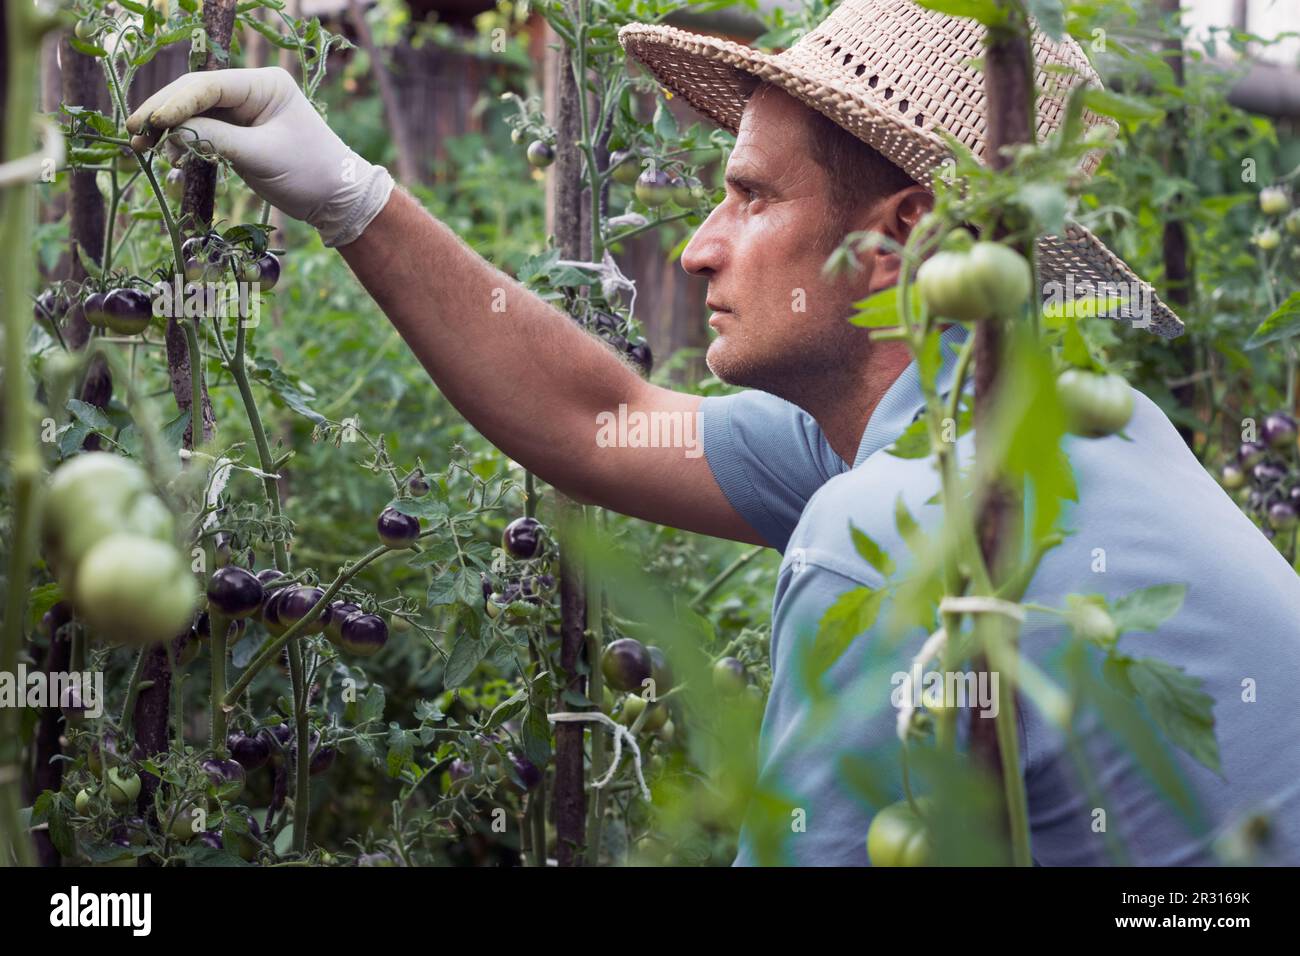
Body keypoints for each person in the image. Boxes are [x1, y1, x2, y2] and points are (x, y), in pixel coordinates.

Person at [126, 0, 1300, 865]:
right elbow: (603, 419)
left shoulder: (883, 527)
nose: (695, 247)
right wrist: (349, 192)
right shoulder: (1048, 431)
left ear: (893, 242)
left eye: (749, 196)